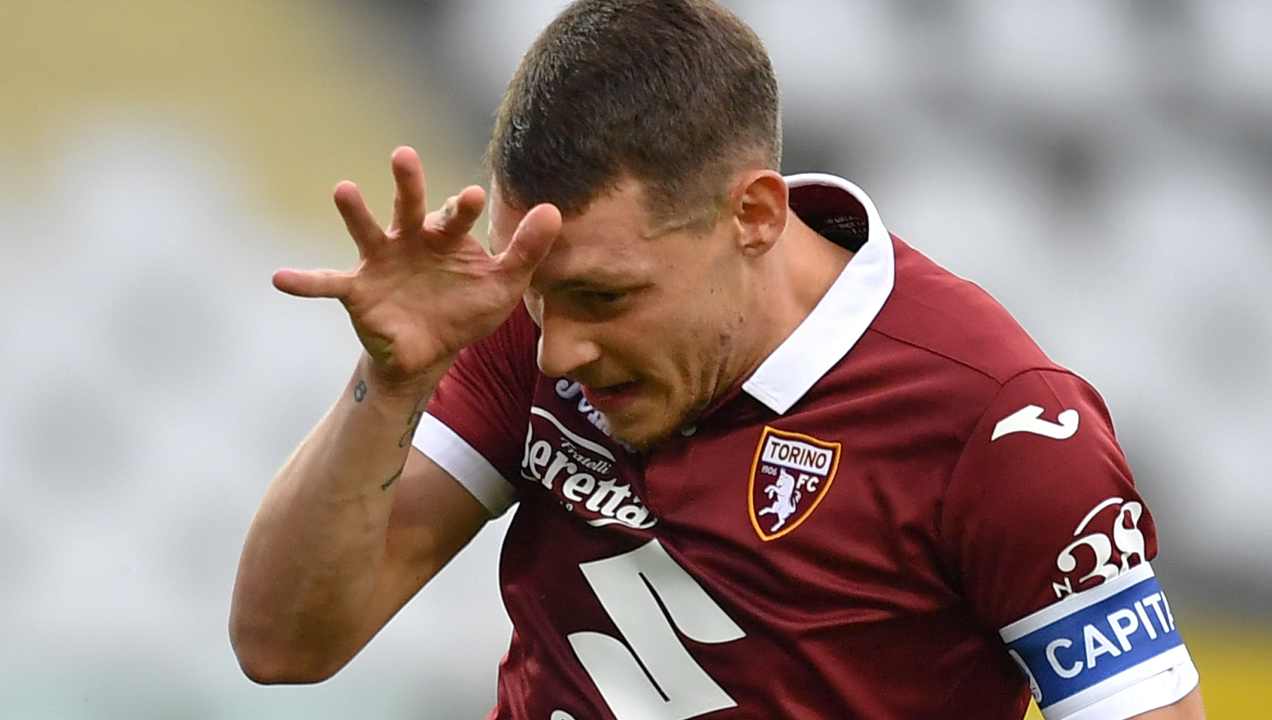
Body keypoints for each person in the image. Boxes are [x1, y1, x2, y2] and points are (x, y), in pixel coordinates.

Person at [230, 1, 1206, 718]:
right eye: (541, 298)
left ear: (753, 216)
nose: (561, 349)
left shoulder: (998, 425)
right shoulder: (529, 322)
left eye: (606, 298)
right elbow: (283, 643)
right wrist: (391, 385)